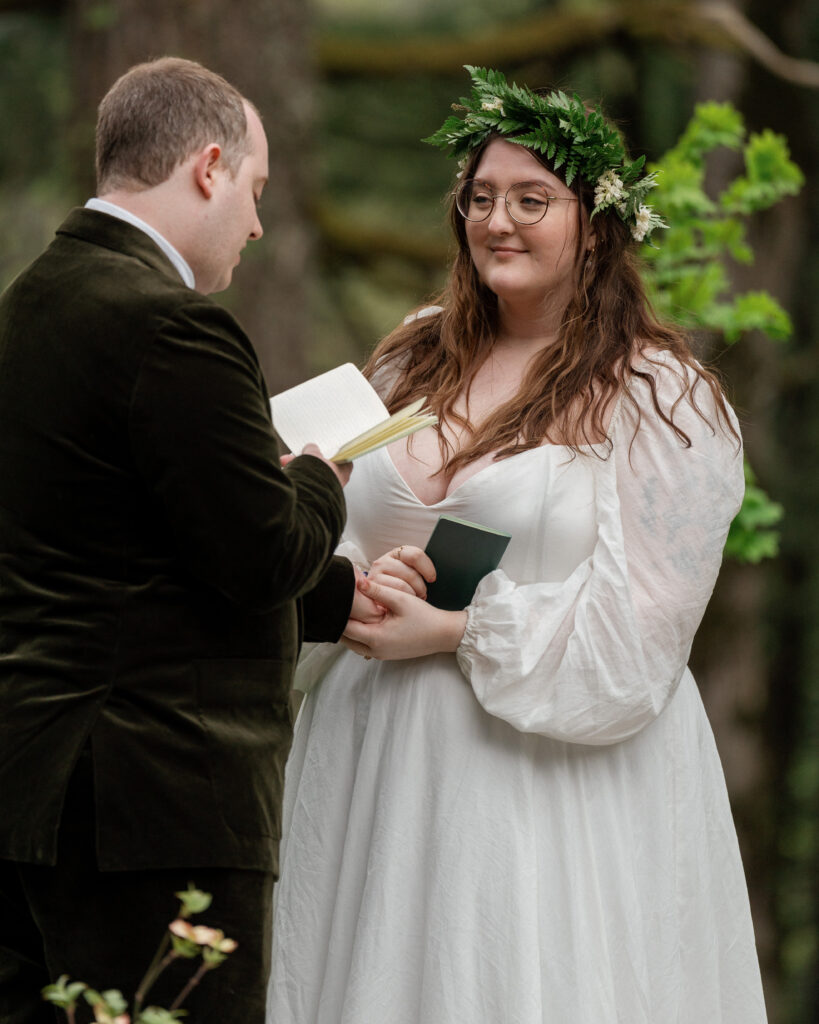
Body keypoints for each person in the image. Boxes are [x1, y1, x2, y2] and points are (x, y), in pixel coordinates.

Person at [267, 66, 768, 1023]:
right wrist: (359, 584)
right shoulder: (411, 355)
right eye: (482, 198)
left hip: (547, 789)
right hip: (377, 765)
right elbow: (343, 523)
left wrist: (456, 632)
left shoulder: (660, 400)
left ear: (596, 223)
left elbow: (641, 645)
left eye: (532, 200)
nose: (499, 221)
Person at [0, 57, 363, 1023]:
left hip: (30, 789)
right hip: (152, 803)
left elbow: (120, 549)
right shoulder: (173, 328)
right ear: (208, 166)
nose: (254, 224)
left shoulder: (24, 310)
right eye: (252, 191)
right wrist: (321, 480)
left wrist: (338, 599)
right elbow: (260, 555)